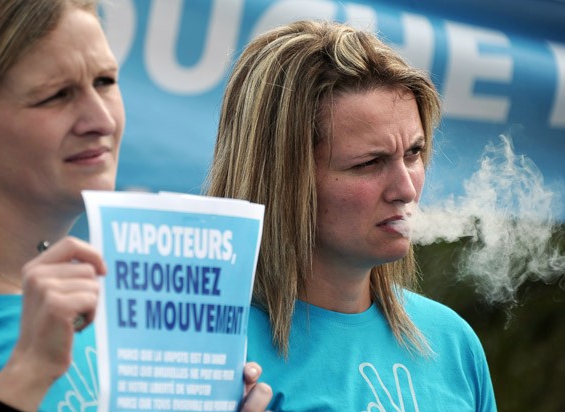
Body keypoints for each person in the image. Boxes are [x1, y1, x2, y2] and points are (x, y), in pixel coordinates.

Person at [0, 1, 270, 411]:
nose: (100, 119)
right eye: (56, 95)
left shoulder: (140, 291)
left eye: (105, 81)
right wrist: (30, 369)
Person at [205, 20, 498, 411]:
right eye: (369, 163)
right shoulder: (210, 349)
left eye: (413, 153)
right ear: (284, 178)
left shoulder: (451, 342)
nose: (406, 190)